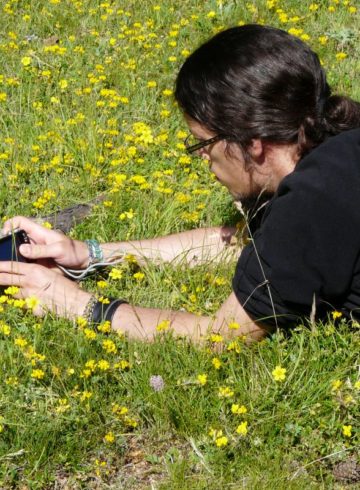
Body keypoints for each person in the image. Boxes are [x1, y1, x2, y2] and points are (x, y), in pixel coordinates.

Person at [1, 24, 360, 342]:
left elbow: (222, 336)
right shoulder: (333, 152)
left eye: (204, 143)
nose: (202, 157)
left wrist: (79, 304)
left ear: (253, 143)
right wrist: (90, 254)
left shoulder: (312, 201)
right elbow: (238, 244)